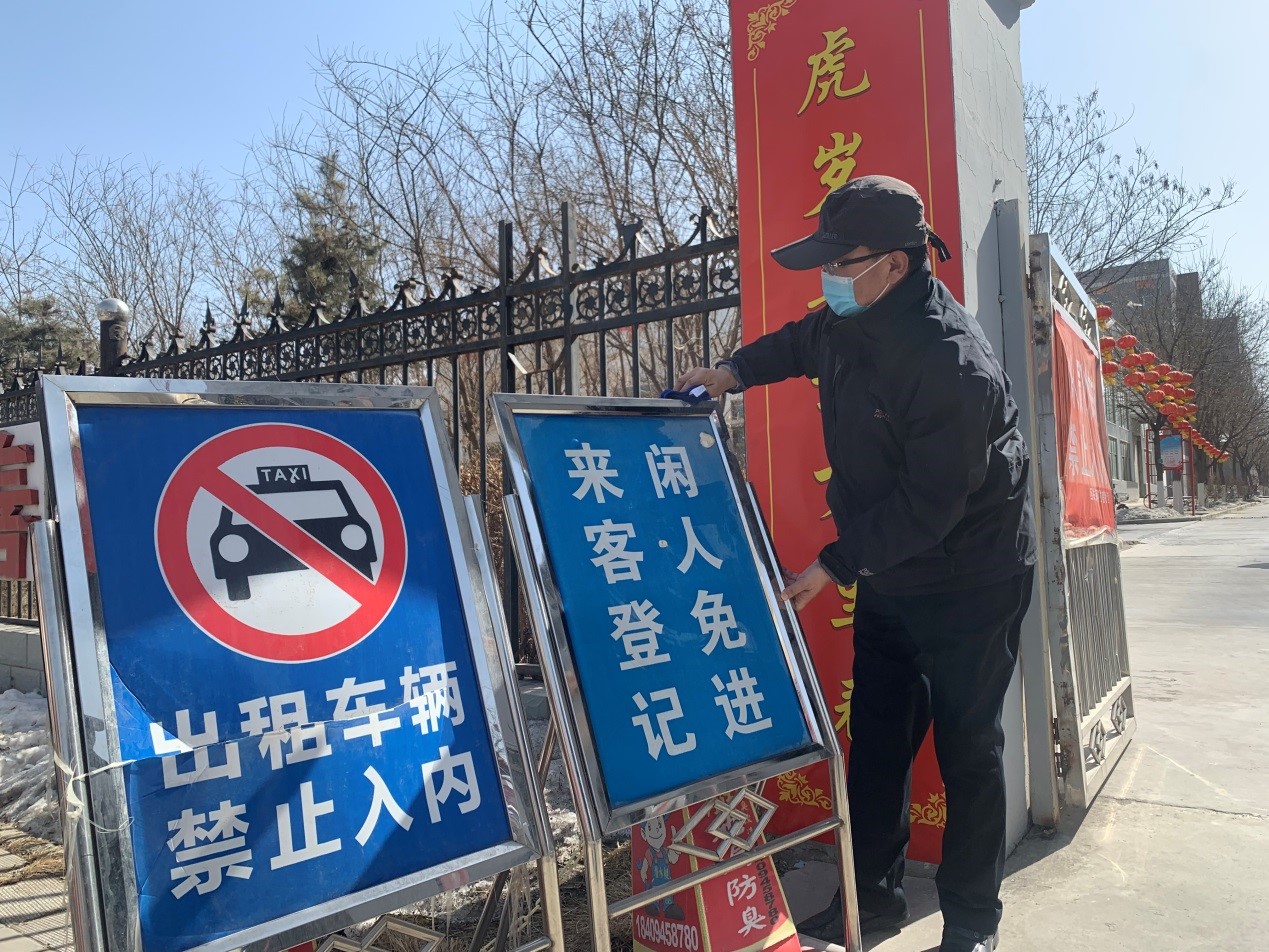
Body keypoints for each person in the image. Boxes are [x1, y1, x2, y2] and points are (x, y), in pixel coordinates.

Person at [674, 175, 1036, 952]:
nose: (826, 278)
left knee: (968, 749)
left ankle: (971, 923)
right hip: (890, 572)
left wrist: (834, 564)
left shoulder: (950, 364)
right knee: (875, 741)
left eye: (840, 263)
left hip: (972, 578)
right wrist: (731, 371)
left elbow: (930, 504)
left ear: (894, 265)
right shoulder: (848, 321)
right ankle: (869, 906)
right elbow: (798, 342)